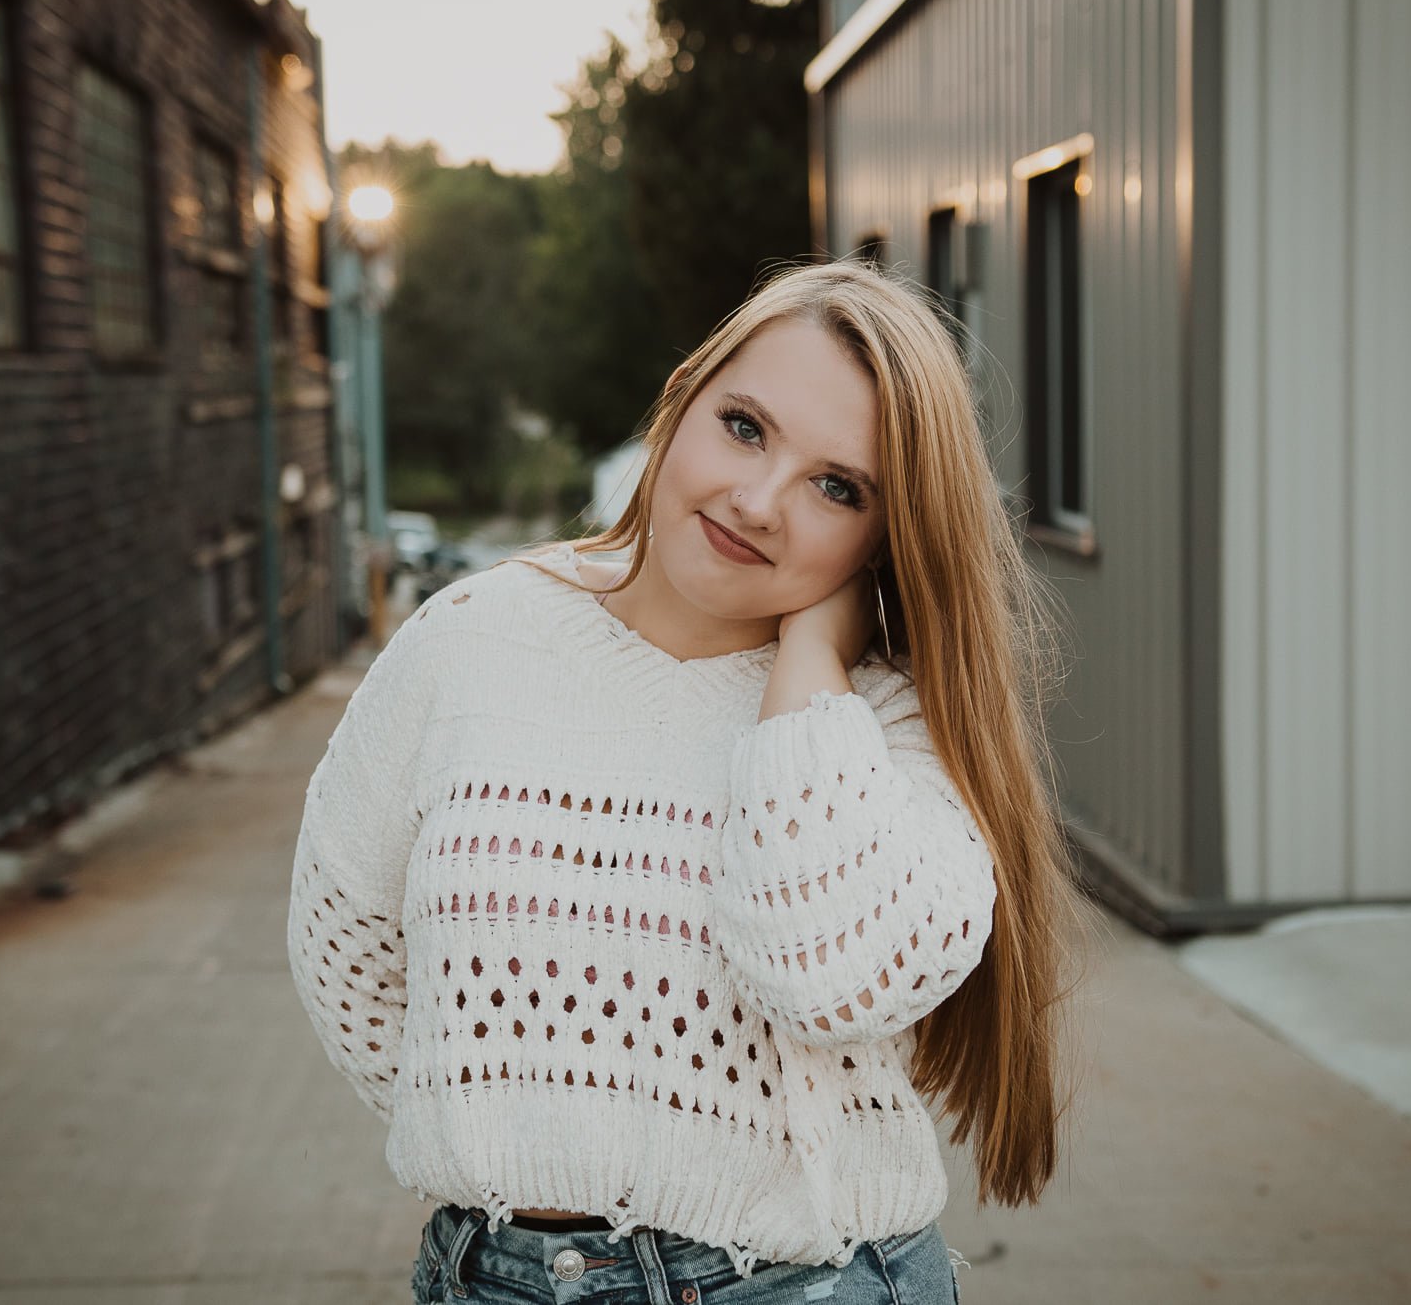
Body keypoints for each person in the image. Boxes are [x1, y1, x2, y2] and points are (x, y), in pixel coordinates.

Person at [286, 258, 1098, 1303]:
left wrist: (811, 665)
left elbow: (822, 975)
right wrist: (518, 1132)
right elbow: (346, 950)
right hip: (491, 1278)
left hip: (796, 1283)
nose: (757, 502)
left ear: (884, 536)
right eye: (744, 427)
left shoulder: (891, 728)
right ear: (679, 401)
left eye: (837, 488)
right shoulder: (471, 640)